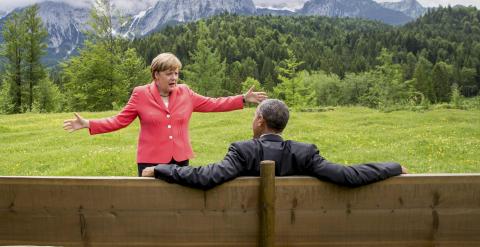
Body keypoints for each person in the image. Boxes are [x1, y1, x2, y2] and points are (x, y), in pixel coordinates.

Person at [63, 52, 267, 176]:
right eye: (169, 73)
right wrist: (89, 123)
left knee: (179, 204)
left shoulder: (185, 92)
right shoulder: (140, 94)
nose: (174, 78)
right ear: (156, 75)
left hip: (180, 159)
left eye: (176, 73)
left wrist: (242, 99)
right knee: (150, 205)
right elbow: (119, 120)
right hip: (150, 160)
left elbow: (212, 103)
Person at [142, 99, 407, 189]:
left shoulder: (242, 151)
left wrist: (161, 169)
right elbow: (348, 175)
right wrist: (393, 167)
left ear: (259, 121)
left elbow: (207, 177)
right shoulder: (304, 153)